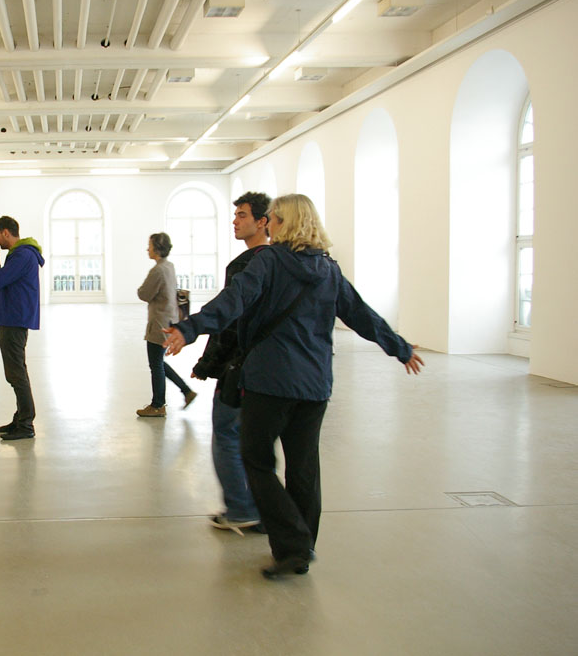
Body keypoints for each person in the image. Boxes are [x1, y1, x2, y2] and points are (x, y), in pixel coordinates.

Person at [164, 194, 423, 579]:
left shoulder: (268, 261)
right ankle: (302, 551)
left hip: (270, 382)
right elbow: (360, 314)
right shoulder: (328, 269)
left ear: (285, 223)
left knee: (256, 460)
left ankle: (293, 543)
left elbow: (233, 301)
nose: (269, 224)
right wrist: (399, 347)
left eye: (273, 219)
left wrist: (189, 329)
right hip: (314, 385)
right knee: (303, 470)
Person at [191, 192, 271, 534]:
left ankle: (240, 508)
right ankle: (262, 509)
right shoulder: (281, 262)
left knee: (226, 434)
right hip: (269, 371)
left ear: (263, 222)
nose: (235, 221)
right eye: (235, 214)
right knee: (257, 443)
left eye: (242, 215)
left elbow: (228, 322)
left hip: (239, 369)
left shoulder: (245, 265)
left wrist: (208, 364)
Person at [0, 216, 44, 440]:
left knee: (16, 374)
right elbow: (2, 280)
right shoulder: (18, 254)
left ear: (6, 232)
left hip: (14, 320)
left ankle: (26, 425)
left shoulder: (22, 255)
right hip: (12, 317)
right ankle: (20, 419)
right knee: (16, 372)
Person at [136, 232, 196, 417]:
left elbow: (144, 294)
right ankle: (186, 391)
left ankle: (158, 405)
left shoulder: (158, 270)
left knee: (156, 364)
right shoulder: (169, 266)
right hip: (169, 319)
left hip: (158, 323)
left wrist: (140, 290)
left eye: (150, 246)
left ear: (157, 248)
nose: (147, 249)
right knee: (159, 362)